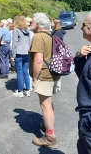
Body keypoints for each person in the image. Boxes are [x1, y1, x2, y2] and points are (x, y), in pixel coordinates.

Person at [29, 13, 60, 149]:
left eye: (32, 21)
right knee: (49, 103)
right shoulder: (51, 35)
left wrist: (35, 78)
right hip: (53, 74)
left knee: (45, 105)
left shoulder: (38, 37)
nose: (30, 23)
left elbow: (39, 59)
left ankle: (50, 138)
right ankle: (47, 125)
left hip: (44, 76)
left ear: (37, 24)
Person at [74, 10, 91, 153]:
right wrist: (79, 57)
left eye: (84, 25)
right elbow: (85, 78)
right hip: (88, 119)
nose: (81, 28)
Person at [11, 15, 31, 98]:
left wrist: (13, 55)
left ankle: (20, 91)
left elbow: (14, 44)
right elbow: (29, 43)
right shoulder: (27, 30)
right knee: (25, 72)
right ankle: (27, 90)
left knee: (19, 73)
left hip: (19, 53)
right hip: (27, 53)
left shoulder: (16, 30)